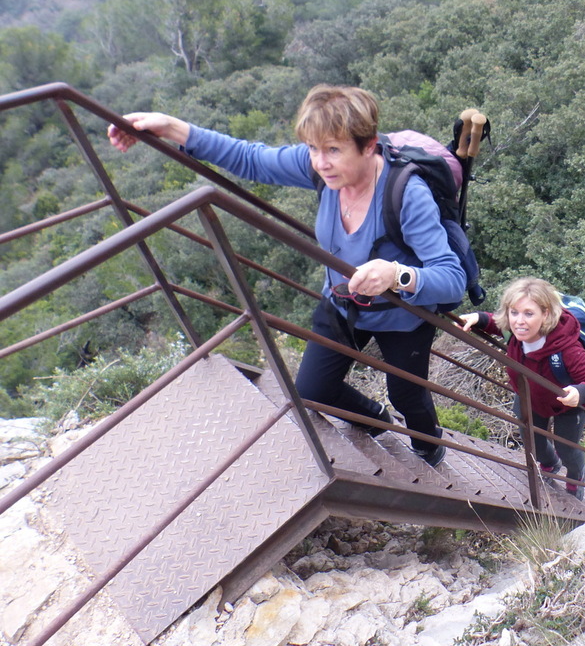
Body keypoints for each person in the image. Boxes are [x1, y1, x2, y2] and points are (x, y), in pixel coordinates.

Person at [107, 85, 464, 467]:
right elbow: (252, 158)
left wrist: (398, 274)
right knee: (313, 389)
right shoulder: (319, 170)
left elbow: (451, 276)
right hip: (344, 302)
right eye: (313, 148)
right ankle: (376, 420)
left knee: (407, 395)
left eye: (333, 150)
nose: (321, 162)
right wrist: (172, 127)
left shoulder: (406, 194)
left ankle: (429, 445)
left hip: (402, 316)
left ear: (368, 146)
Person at [459, 277, 585, 500]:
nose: (519, 322)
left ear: (547, 315)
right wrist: (479, 318)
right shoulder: (515, 331)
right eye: (514, 312)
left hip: (567, 405)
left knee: (567, 448)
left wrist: (582, 393)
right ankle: (550, 464)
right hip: (530, 397)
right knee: (532, 440)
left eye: (529, 314)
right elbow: (499, 323)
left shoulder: (568, 350)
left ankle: (576, 475)